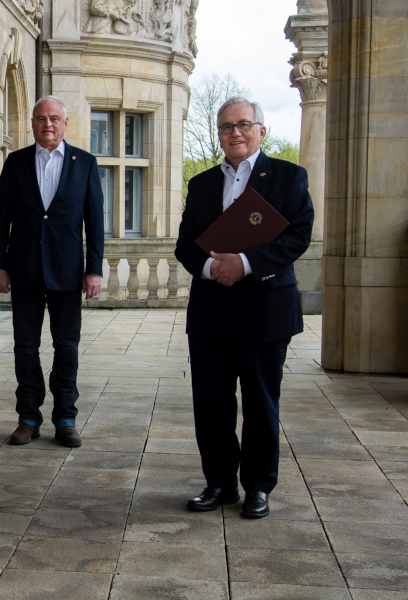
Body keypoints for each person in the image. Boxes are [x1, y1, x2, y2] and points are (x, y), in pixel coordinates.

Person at [174, 97, 314, 518]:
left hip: (265, 309)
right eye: (226, 127)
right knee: (211, 404)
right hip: (211, 312)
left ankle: (258, 487)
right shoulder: (200, 185)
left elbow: (298, 236)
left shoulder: (288, 177)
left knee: (260, 404)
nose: (235, 132)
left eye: (244, 125)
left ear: (261, 131)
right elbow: (185, 246)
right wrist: (213, 267)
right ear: (219, 134)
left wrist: (246, 264)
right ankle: (219, 483)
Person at [0, 95, 104, 449]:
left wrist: (94, 269)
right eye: (41, 118)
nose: (48, 124)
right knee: (25, 346)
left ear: (66, 123)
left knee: (66, 346)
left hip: (68, 272)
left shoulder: (84, 163)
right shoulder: (16, 162)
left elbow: (95, 222)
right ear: (32, 123)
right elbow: (0, 219)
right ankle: (28, 418)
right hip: (23, 270)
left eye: (54, 118)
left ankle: (66, 418)